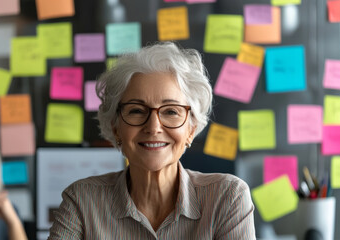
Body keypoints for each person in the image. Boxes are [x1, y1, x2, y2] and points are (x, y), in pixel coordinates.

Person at [48, 42, 256, 239]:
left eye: (171, 111)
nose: (154, 127)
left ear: (191, 130)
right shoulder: (82, 200)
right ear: (115, 127)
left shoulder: (227, 197)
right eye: (137, 111)